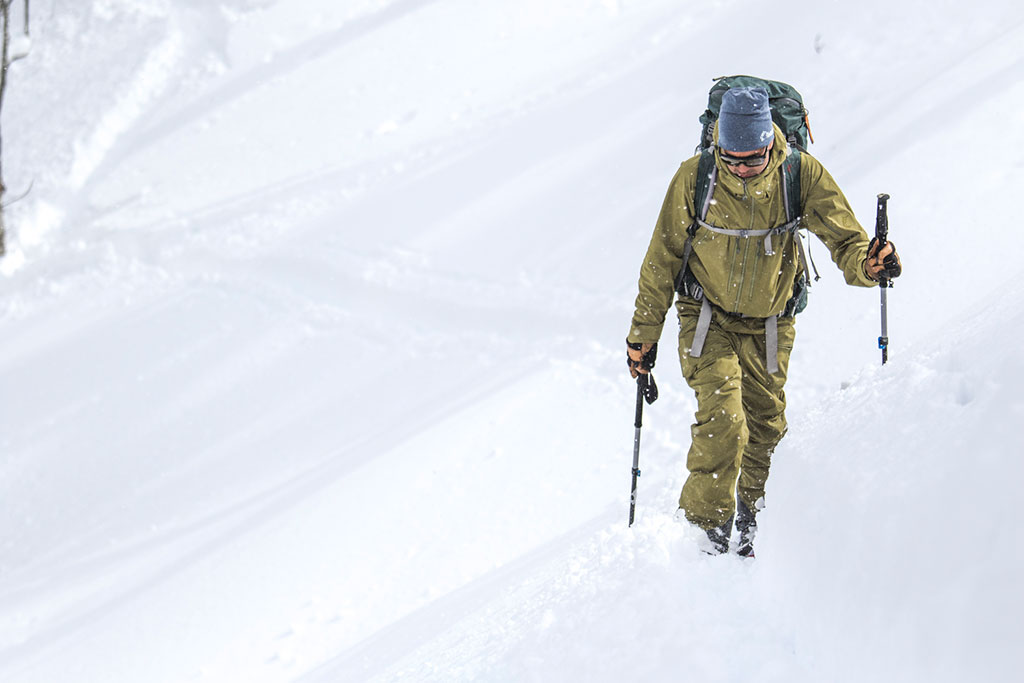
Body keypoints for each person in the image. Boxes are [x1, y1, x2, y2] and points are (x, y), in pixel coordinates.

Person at [625, 86, 901, 557]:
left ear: (770, 143)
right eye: (731, 159)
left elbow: (846, 240)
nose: (741, 168)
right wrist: (642, 337)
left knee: (766, 428)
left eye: (752, 159)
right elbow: (662, 260)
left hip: (771, 323)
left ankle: (759, 523)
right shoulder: (696, 178)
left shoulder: (799, 174)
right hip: (706, 317)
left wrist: (869, 264)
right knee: (724, 416)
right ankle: (704, 532)